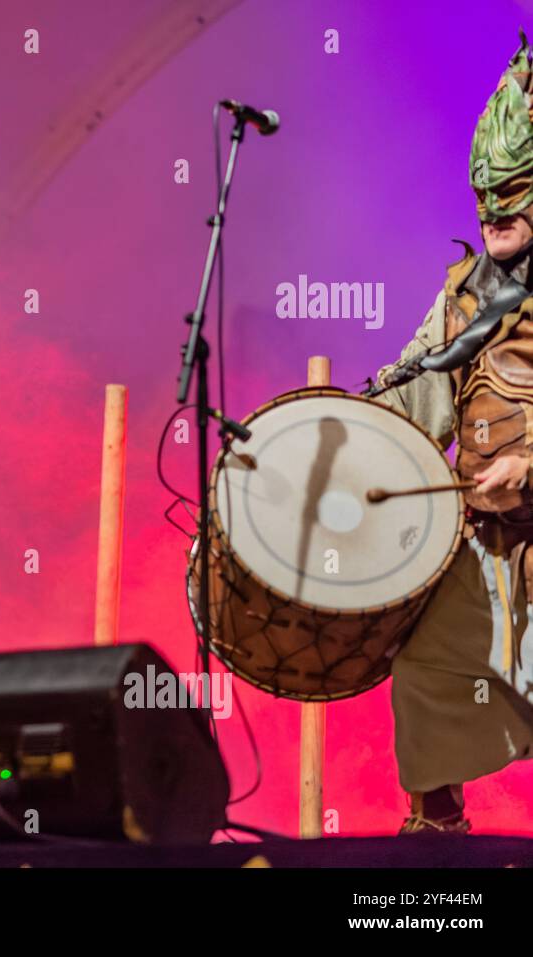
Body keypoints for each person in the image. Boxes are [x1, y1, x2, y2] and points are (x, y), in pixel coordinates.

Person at [373, 31, 533, 833]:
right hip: (485, 547)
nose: (492, 213)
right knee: (427, 664)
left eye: (511, 192)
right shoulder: (465, 296)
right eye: (484, 196)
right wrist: (347, 427)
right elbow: (416, 390)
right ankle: (438, 837)